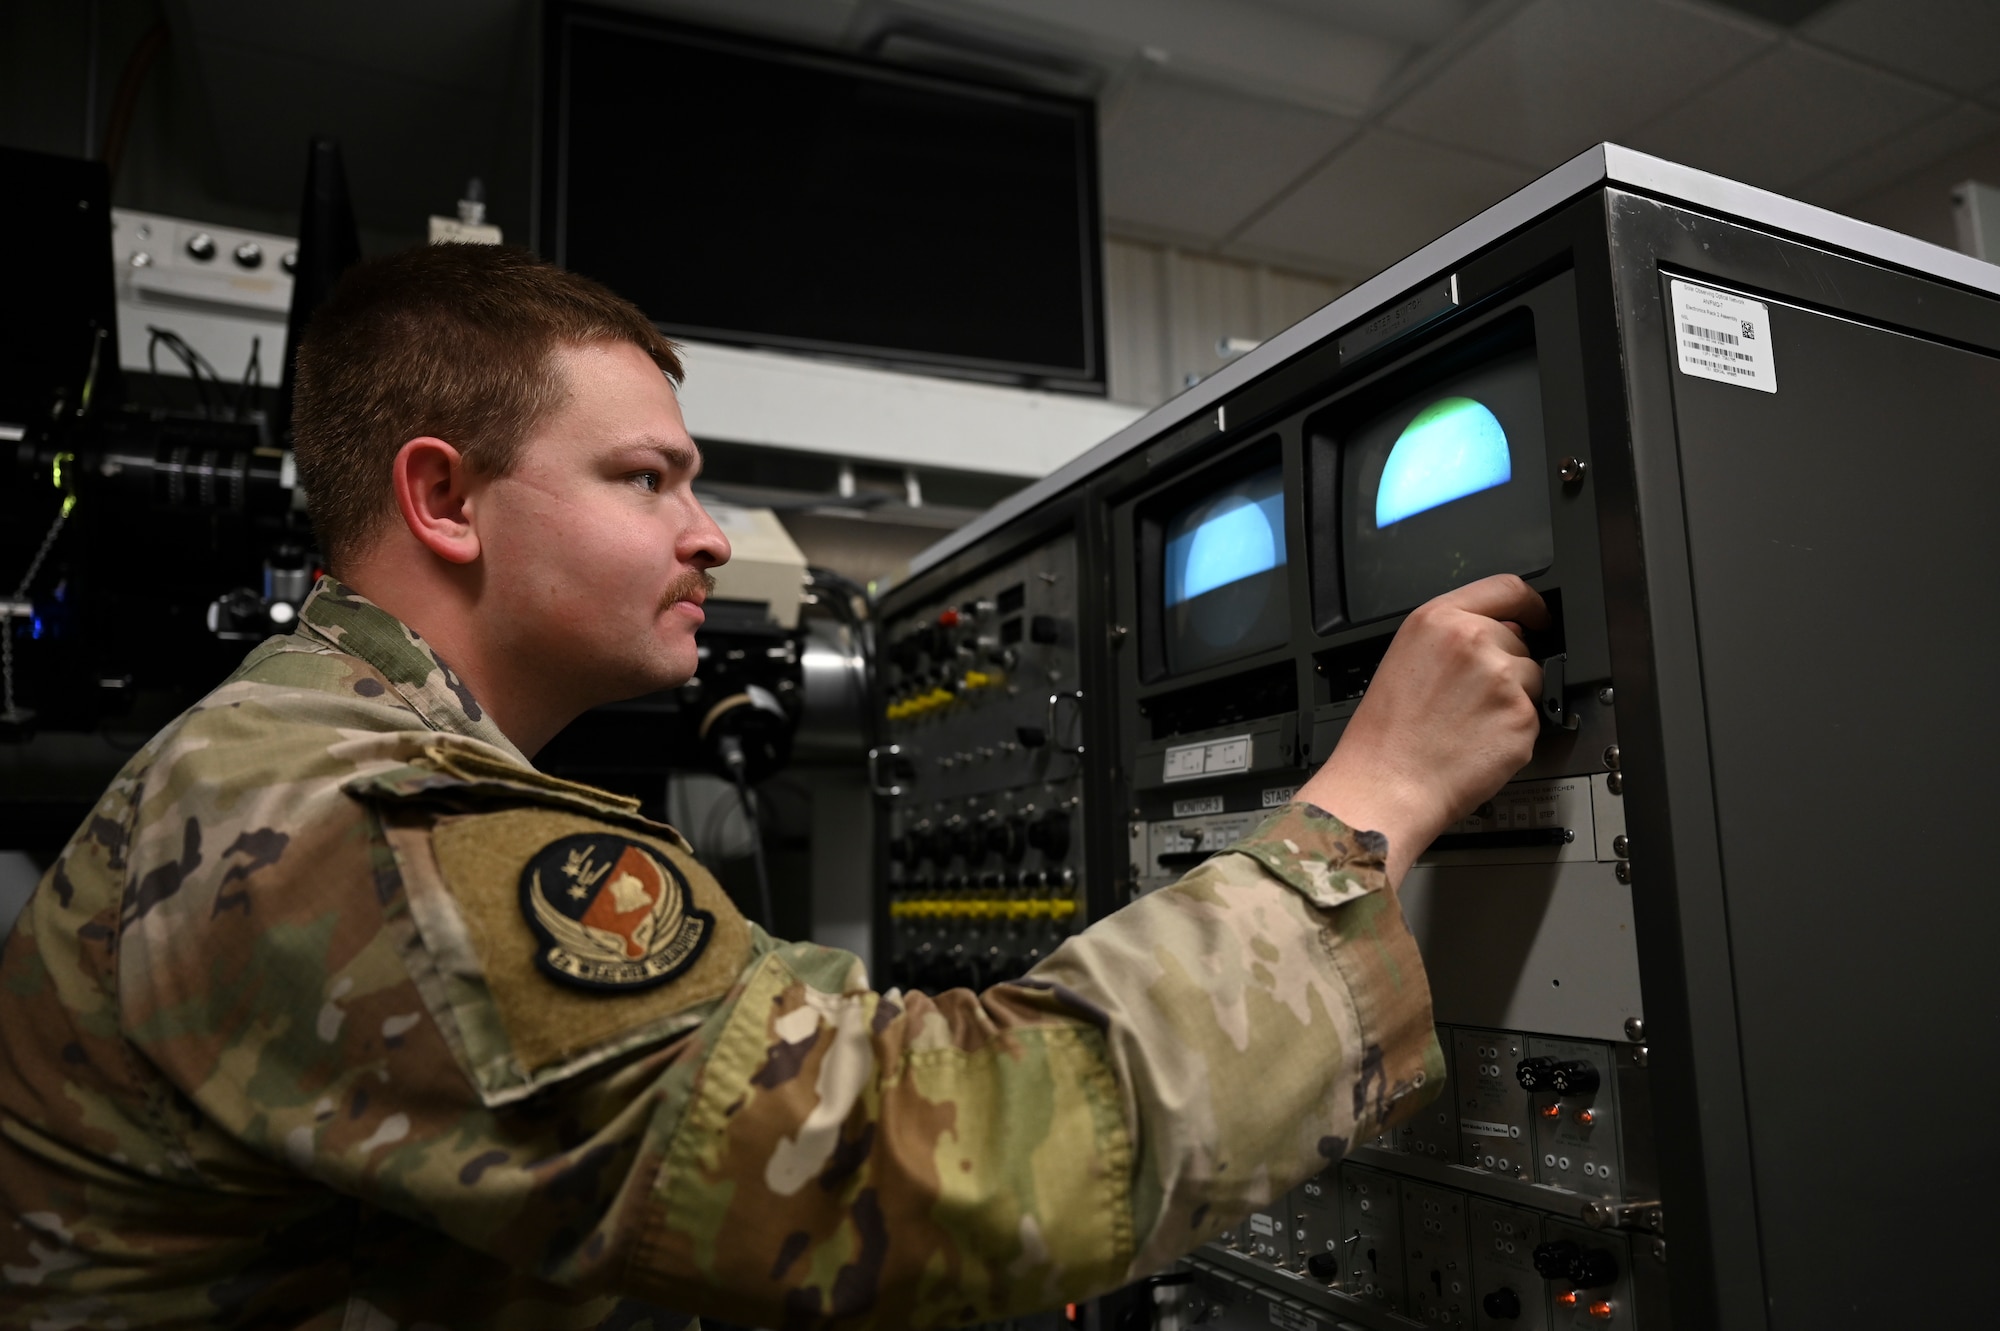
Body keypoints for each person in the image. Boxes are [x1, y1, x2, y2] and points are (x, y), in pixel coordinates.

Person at [0, 245, 1546, 1331]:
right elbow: (912, 1165)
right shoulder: (369, 821)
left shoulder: (296, 751)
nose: (712, 535)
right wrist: (1370, 804)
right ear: (443, 497)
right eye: (645, 479)